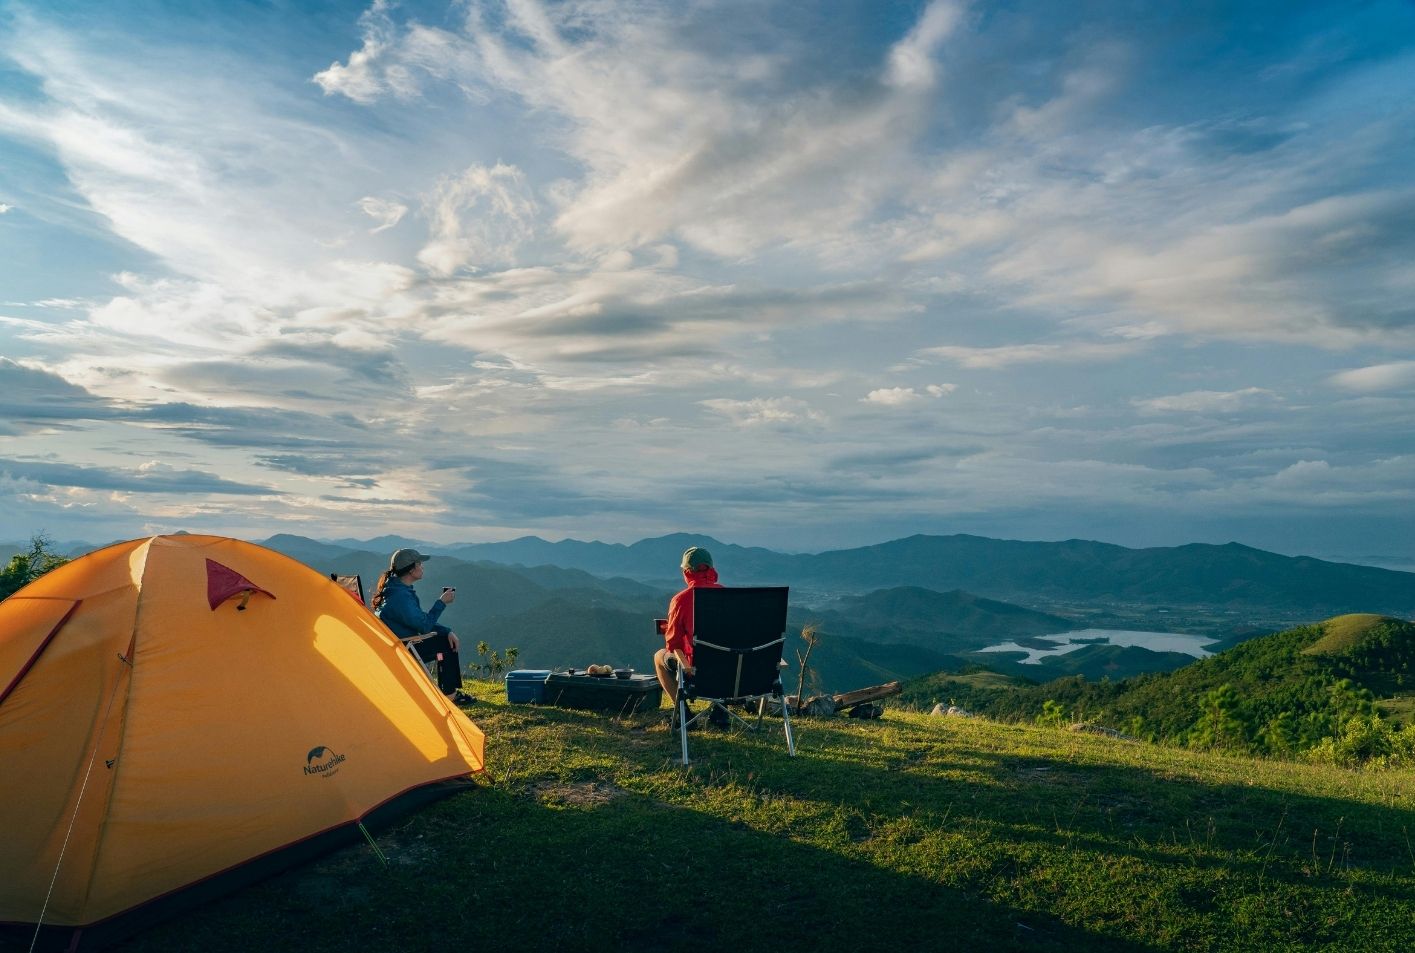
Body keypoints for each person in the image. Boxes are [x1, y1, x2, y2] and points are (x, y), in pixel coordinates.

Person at [372, 547, 475, 705]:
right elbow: (425, 626)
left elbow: (419, 620)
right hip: (406, 647)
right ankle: (450, 695)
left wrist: (446, 631)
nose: (422, 566)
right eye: (419, 563)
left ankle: (448, 690)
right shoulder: (401, 597)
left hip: (400, 644)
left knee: (444, 639)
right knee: (445, 646)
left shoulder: (396, 589)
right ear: (411, 570)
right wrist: (442, 602)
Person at [653, 545, 727, 726]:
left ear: (687, 571)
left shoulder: (681, 600)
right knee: (723, 654)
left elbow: (673, 644)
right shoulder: (728, 595)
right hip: (729, 671)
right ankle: (720, 713)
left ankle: (684, 714)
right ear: (711, 568)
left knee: (659, 656)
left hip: (695, 671)